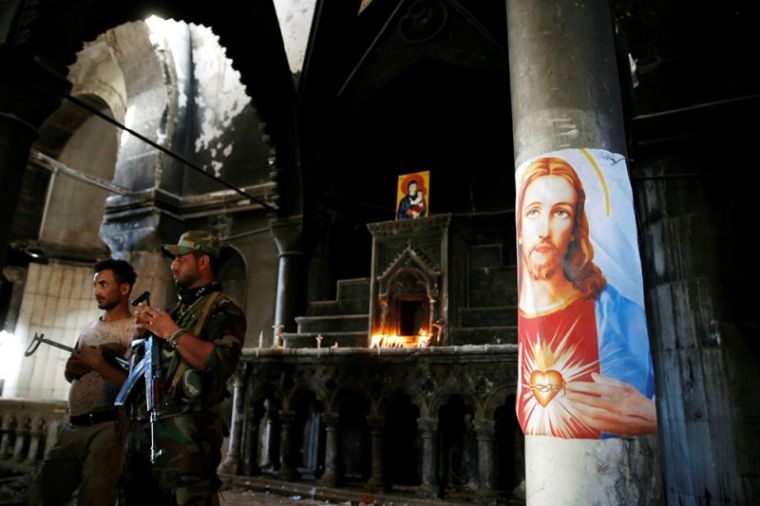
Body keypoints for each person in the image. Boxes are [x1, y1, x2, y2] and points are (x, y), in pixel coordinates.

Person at [515, 156, 656, 438]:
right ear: (519, 229)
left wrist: (652, 417)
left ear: (575, 230)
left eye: (561, 213)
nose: (543, 231)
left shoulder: (615, 312)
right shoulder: (521, 313)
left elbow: (646, 408)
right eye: (533, 212)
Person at [120, 230, 246, 506]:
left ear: (203, 262)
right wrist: (138, 340)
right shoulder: (175, 311)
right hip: (145, 431)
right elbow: (138, 370)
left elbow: (219, 363)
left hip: (187, 440)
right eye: (173, 260)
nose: (173, 265)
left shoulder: (224, 309)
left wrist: (172, 333)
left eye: (181, 259)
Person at [27, 259, 136, 506]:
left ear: (124, 288)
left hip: (108, 429)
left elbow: (134, 387)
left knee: (95, 498)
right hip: (73, 426)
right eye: (96, 284)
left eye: (104, 284)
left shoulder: (134, 331)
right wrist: (70, 368)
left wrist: (99, 363)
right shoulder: (89, 329)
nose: (97, 291)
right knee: (41, 494)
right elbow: (71, 374)